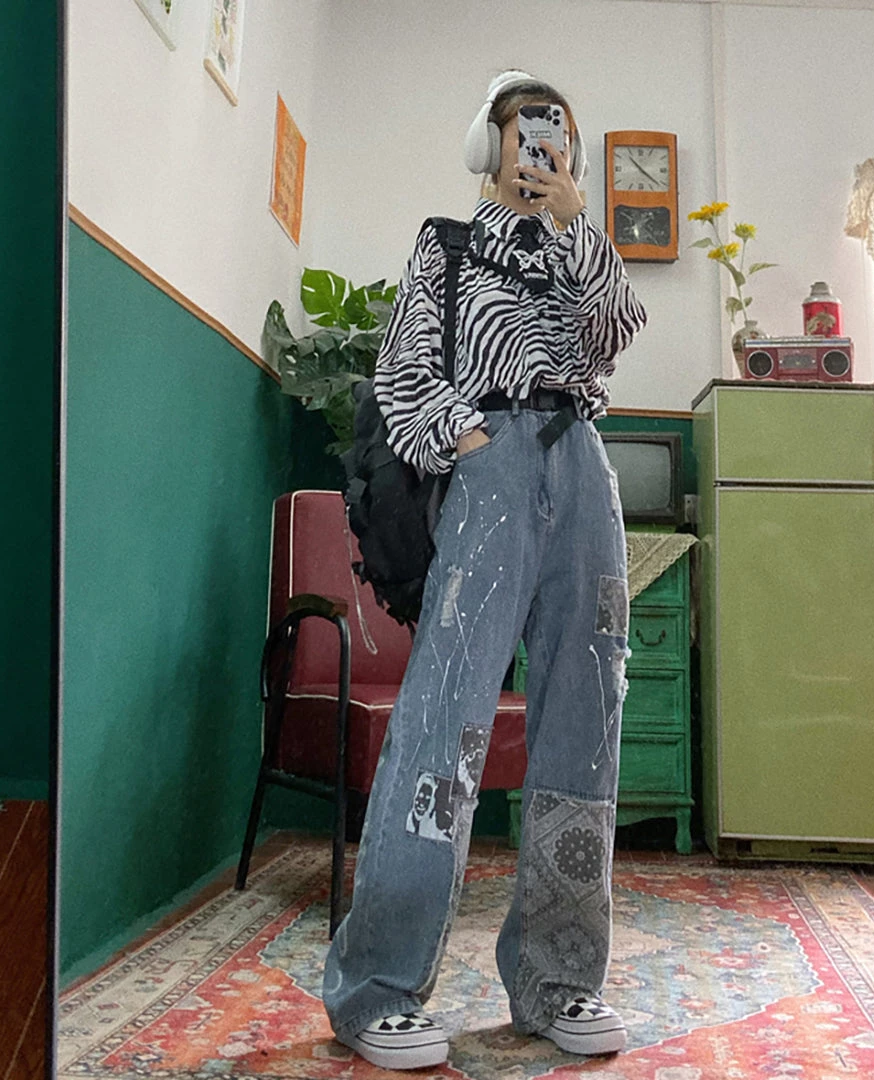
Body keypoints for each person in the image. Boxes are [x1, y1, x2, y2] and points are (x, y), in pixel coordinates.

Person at [322, 69, 648, 1070]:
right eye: (527, 128)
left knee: (587, 720)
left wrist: (579, 223)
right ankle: (378, 987)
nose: (544, 145)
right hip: (491, 468)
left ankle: (559, 982)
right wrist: (465, 438)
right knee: (445, 719)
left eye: (561, 133)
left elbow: (614, 335)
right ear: (491, 143)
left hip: (582, 466)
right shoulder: (449, 245)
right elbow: (404, 370)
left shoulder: (579, 249)